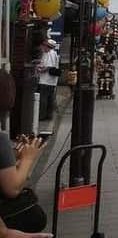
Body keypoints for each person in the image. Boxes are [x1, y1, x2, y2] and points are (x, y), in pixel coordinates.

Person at [0, 72, 47, 234]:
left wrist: (14, 160)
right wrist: (28, 159)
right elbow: (12, 188)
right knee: (35, 217)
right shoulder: (0, 139)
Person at [34, 41, 58, 122]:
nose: (42, 48)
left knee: (43, 99)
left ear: (46, 46)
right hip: (51, 81)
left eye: (43, 46)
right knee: (49, 98)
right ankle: (49, 115)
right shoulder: (54, 53)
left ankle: (42, 116)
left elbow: (48, 66)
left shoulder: (50, 53)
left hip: (46, 80)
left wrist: (39, 70)